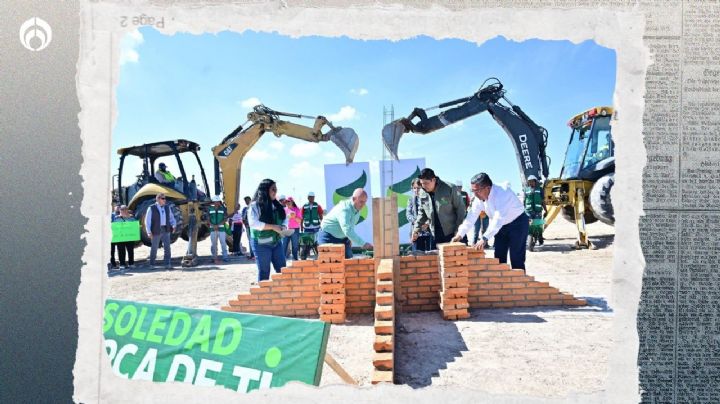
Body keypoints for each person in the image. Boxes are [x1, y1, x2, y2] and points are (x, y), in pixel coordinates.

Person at [452, 172, 530, 270]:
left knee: (516, 257)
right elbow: (471, 217)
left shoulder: (503, 193)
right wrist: (460, 234)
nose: (475, 194)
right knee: (499, 257)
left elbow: (498, 219)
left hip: (517, 223)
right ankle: (502, 282)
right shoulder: (478, 198)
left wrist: (484, 238)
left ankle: (520, 283)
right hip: (501, 226)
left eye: (477, 191)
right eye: (473, 191)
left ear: (488, 188)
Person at [412, 168, 466, 249]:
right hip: (435, 235)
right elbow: (421, 213)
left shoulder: (450, 188)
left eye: (426, 183)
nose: (424, 186)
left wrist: (458, 230)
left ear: (433, 180)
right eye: (422, 183)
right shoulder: (422, 192)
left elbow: (461, 210)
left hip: (452, 233)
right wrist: (416, 230)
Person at [248, 179, 289, 282]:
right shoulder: (255, 206)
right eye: (273, 189)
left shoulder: (277, 205)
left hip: (276, 243)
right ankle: (262, 296)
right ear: (265, 190)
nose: (275, 192)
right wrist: (273, 227)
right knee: (264, 271)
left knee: (282, 269)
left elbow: (285, 218)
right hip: (261, 243)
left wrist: (283, 226)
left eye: (276, 189)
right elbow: (253, 223)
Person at [317, 188, 373, 259]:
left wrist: (349, 238)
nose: (363, 205)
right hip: (328, 236)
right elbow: (347, 230)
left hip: (342, 238)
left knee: (348, 263)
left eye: (365, 202)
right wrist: (363, 244)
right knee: (328, 264)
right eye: (361, 202)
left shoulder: (357, 210)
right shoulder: (344, 209)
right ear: (353, 199)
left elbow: (350, 227)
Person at [145, 193, 176, 269]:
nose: (164, 200)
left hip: (166, 229)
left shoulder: (167, 207)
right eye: (163, 198)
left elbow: (171, 218)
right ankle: (152, 264)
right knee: (154, 248)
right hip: (156, 230)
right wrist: (149, 232)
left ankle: (167, 264)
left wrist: (174, 225)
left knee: (167, 247)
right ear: (158, 199)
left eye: (165, 198)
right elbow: (147, 221)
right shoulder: (151, 208)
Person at [406, 178, 432, 252]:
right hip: (416, 234)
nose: (416, 190)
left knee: (431, 256)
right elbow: (408, 215)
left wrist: (427, 223)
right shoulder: (411, 200)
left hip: (428, 233)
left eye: (418, 188)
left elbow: (432, 213)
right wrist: (418, 223)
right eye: (414, 188)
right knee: (417, 257)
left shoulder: (428, 198)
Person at [524, 175, 547, 245]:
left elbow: (543, 200)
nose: (531, 183)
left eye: (532, 181)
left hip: (538, 211)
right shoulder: (526, 190)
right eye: (529, 182)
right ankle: (528, 238)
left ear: (535, 182)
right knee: (528, 225)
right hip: (528, 211)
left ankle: (540, 237)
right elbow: (524, 201)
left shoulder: (540, 190)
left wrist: (546, 209)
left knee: (538, 225)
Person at [113, 205, 137, 269]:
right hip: (120, 238)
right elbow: (114, 227)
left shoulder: (132, 218)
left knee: (130, 251)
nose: (124, 211)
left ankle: (131, 263)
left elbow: (135, 226)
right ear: (120, 210)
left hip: (130, 237)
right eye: (122, 209)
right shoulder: (116, 218)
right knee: (121, 251)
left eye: (125, 209)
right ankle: (122, 264)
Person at [209, 195, 230, 264]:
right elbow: (207, 218)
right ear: (213, 202)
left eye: (218, 201)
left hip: (221, 229)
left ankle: (225, 257)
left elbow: (225, 218)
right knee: (213, 244)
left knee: (223, 243)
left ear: (219, 202)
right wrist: (213, 225)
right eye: (215, 201)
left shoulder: (223, 209)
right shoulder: (209, 209)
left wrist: (217, 225)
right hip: (212, 229)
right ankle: (214, 257)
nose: (216, 203)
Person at [241, 196, 255, 260]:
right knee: (250, 241)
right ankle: (252, 255)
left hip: (254, 227)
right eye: (245, 201)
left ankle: (255, 255)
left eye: (247, 200)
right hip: (248, 227)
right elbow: (243, 219)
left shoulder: (254, 207)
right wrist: (246, 224)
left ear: (250, 200)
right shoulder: (244, 209)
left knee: (255, 240)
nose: (246, 202)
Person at [109, 204, 121, 270]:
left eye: (119, 207)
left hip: (119, 235)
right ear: (114, 208)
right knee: (112, 250)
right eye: (117, 207)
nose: (118, 208)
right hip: (112, 235)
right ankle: (113, 263)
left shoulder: (122, 215)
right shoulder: (111, 215)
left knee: (120, 249)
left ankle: (121, 262)